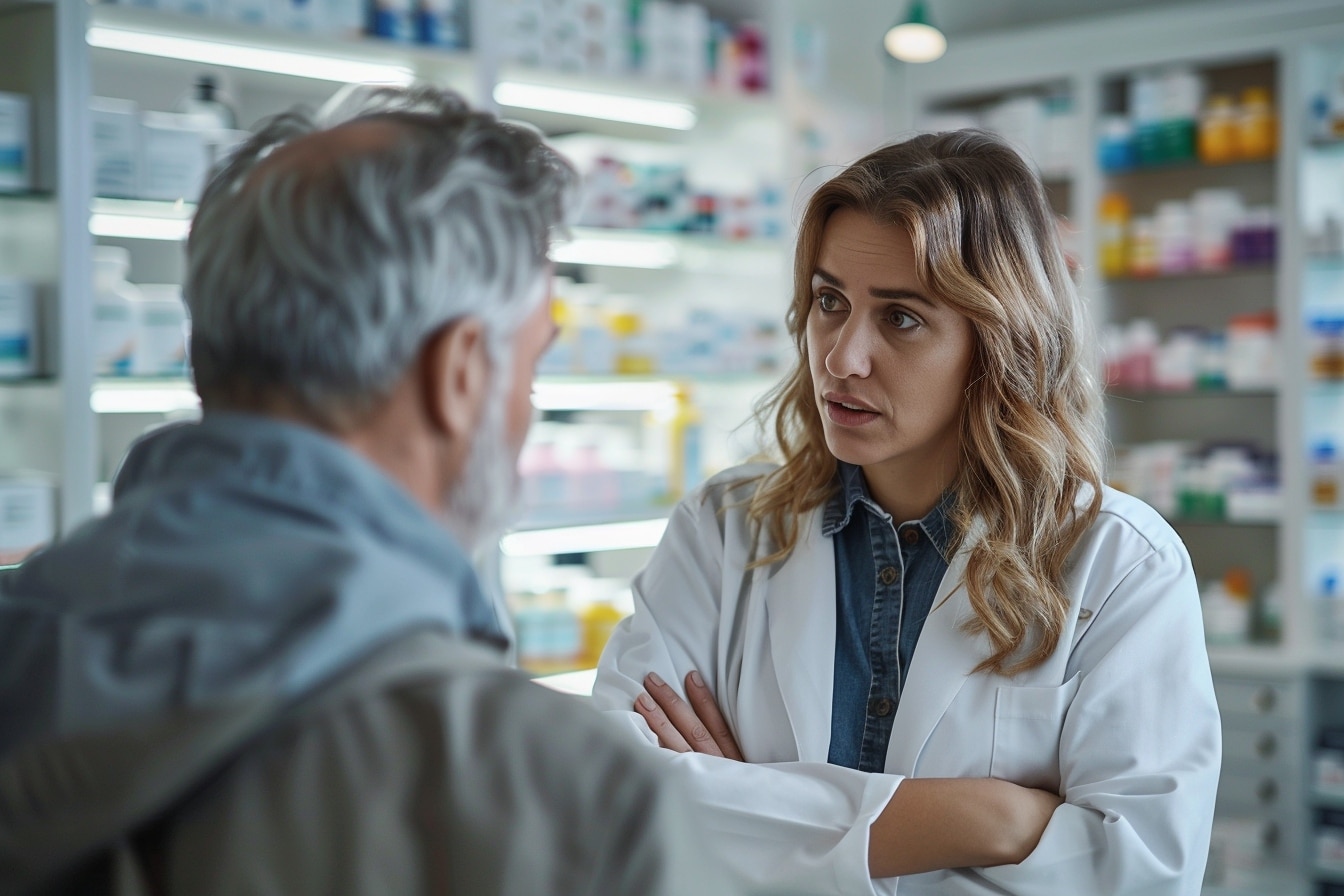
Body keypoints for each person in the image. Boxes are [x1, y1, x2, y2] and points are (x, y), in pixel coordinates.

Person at [0, 84, 738, 896]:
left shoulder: (23, 638)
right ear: (459, 375)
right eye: (532, 366)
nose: (527, 408)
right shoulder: (564, 802)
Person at [592, 129, 1223, 895]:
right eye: (830, 302)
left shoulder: (1120, 564)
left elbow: (1137, 873)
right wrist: (986, 820)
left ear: (998, 341)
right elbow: (616, 798)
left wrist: (755, 823)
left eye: (901, 318)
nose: (841, 357)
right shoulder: (721, 532)